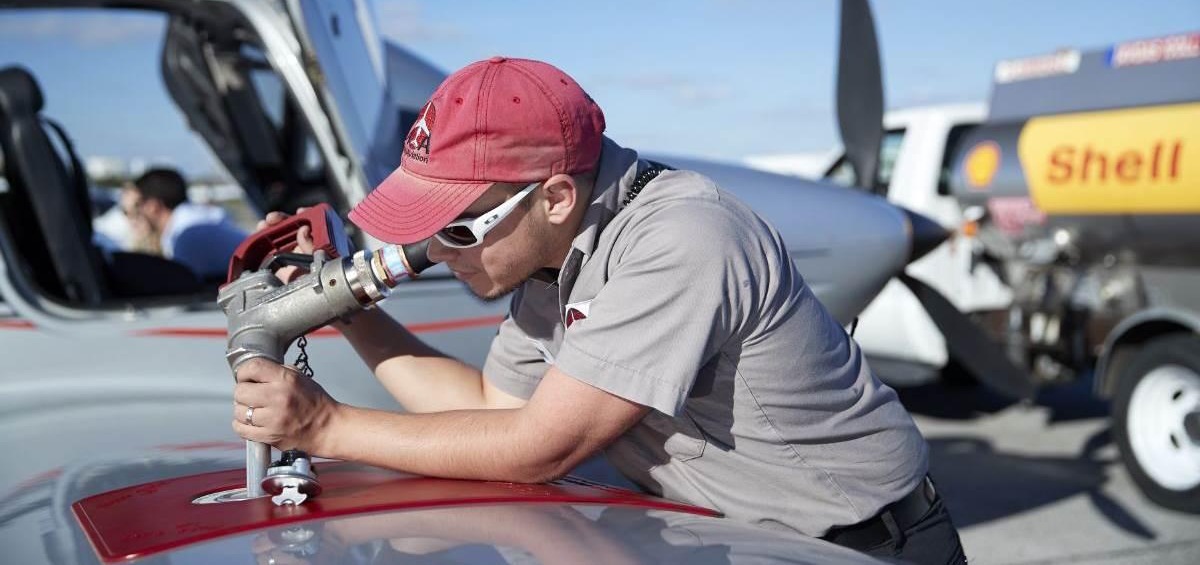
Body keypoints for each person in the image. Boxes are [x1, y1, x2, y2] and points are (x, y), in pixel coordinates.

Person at [234, 57, 966, 563]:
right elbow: (494, 408)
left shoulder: (680, 238)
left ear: (553, 196)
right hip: (749, 539)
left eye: (457, 228)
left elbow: (539, 447)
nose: (436, 250)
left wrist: (325, 425)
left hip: (865, 544)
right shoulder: (551, 256)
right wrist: (341, 305)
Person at [131, 167, 247, 281]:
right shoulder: (195, 217)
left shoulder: (182, 234)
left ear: (153, 206)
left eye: (137, 205)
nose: (135, 213)